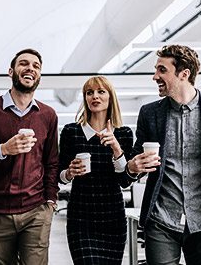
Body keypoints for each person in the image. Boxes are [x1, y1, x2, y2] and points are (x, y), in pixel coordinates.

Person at [126, 44, 201, 264]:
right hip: (161, 218)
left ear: (184, 74)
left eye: (162, 70)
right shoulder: (149, 113)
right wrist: (131, 168)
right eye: (156, 70)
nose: (155, 76)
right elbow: (137, 159)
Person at [0, 48, 59, 265]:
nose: (30, 68)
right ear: (11, 72)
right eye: (24, 63)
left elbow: (51, 162)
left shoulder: (48, 115)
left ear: (39, 77)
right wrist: (2, 150)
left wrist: (50, 201)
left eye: (36, 66)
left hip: (36, 210)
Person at [59, 76, 134, 264]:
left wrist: (116, 148)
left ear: (110, 97)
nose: (95, 96)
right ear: (85, 98)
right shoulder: (71, 132)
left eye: (101, 91)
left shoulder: (123, 134)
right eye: (89, 92)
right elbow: (59, 176)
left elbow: (125, 180)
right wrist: (69, 173)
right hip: (81, 218)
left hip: (113, 218)